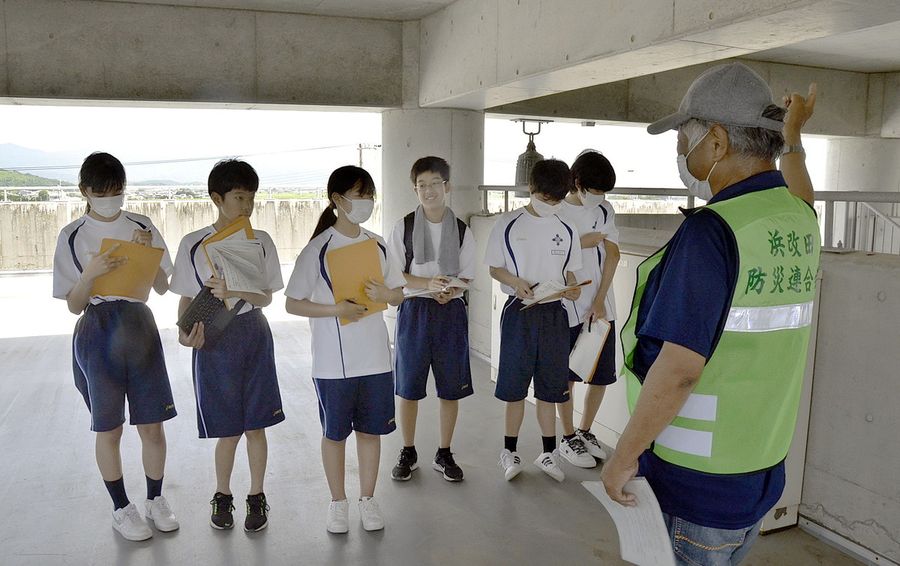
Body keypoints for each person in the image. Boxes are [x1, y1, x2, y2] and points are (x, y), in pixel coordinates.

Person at [600, 62, 821, 565]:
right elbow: (801, 189)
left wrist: (624, 455)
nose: (682, 153)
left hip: (693, 480)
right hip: (758, 469)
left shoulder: (713, 232)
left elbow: (678, 371)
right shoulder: (799, 219)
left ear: (717, 142)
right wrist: (794, 139)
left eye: (684, 139)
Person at [52, 152, 178, 541]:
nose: (111, 198)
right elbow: (74, 304)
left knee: (152, 424)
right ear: (85, 191)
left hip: (139, 324)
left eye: (118, 191)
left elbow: (161, 285)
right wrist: (90, 273)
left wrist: (147, 254)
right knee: (109, 428)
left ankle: (155, 499)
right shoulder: (72, 235)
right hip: (97, 326)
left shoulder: (142, 224)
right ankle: (122, 508)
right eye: (102, 192)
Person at [285, 165, 405, 534]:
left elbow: (399, 293)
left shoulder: (379, 244)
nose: (365, 202)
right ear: (338, 200)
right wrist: (334, 310)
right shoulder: (317, 249)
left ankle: (368, 499)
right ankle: (338, 502)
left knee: (370, 432)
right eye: (358, 195)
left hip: (375, 358)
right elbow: (292, 303)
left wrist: (386, 295)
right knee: (335, 434)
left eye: (369, 195)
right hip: (333, 364)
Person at [170, 159, 285, 532]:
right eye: (239, 197)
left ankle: (256, 495)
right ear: (217, 198)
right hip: (214, 336)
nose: (247, 205)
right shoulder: (193, 243)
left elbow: (266, 298)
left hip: (253, 330)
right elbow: (186, 298)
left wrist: (233, 290)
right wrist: (183, 332)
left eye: (251, 196)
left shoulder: (261, 240)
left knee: (257, 425)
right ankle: (222, 494)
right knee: (228, 429)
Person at [485, 158, 583, 483]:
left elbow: (570, 272)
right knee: (514, 388)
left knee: (550, 389)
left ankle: (548, 453)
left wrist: (571, 290)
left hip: (555, 314)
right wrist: (515, 282)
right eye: (545, 198)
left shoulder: (568, 228)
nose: (550, 205)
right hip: (519, 311)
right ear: (531, 189)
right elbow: (494, 268)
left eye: (557, 200)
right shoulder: (508, 223)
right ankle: (509, 451)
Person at [387, 156, 476, 483]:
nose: (428, 190)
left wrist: (450, 292)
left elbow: (467, 275)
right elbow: (394, 273)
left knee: (450, 389)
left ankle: (444, 451)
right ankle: (407, 450)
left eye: (435, 184)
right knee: (408, 388)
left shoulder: (463, 230)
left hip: (450, 311)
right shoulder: (405, 226)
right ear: (415, 189)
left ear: (447, 186)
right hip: (415, 311)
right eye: (421, 185)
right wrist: (428, 285)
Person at [556, 150, 621, 469]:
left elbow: (613, 255)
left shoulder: (605, 210)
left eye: (604, 192)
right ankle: (567, 437)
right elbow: (551, 254)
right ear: (578, 183)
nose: (601, 197)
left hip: (601, 307)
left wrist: (600, 300)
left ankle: (585, 430)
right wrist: (580, 242)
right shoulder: (557, 210)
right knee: (567, 376)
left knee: (600, 376)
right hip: (567, 306)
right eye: (596, 190)